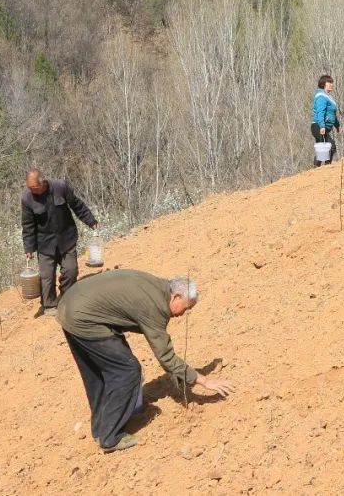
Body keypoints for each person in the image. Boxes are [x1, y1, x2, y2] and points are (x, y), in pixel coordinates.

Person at [57, 270, 234, 453]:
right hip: (83, 319)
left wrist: (180, 375)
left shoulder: (158, 286)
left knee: (97, 372)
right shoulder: (156, 307)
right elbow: (165, 357)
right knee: (127, 371)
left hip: (71, 304)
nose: (186, 313)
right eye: (187, 307)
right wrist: (204, 380)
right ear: (176, 297)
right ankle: (110, 438)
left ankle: (101, 429)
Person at [21, 169, 97, 317]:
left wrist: (91, 221)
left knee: (71, 270)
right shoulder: (27, 198)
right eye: (29, 187)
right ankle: (49, 305)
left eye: (34, 187)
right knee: (46, 277)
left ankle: (67, 298)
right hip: (44, 243)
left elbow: (77, 205)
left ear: (42, 183)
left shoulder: (60, 187)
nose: (31, 190)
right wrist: (29, 248)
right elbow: (27, 225)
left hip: (66, 238)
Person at [311, 74, 341, 167]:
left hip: (323, 127)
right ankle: (325, 170)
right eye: (329, 82)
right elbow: (320, 112)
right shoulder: (321, 96)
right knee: (331, 147)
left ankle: (318, 169)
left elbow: (332, 114)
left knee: (323, 151)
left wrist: (337, 125)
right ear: (324, 84)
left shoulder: (328, 97)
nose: (331, 84)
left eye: (332, 83)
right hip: (318, 126)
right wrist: (322, 126)